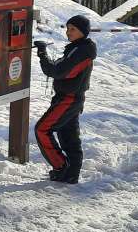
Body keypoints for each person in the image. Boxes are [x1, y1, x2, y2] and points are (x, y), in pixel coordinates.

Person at [33, 15, 97, 184]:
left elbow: (58, 71)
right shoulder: (77, 48)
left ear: (83, 31)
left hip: (69, 99)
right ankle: (71, 173)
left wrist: (42, 53)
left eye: (73, 29)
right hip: (70, 97)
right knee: (68, 135)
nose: (68, 32)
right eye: (67, 28)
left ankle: (62, 167)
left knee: (42, 129)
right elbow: (60, 67)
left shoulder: (82, 51)